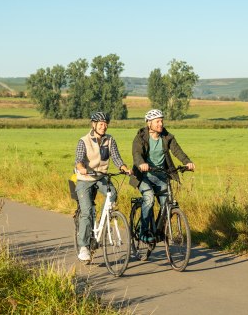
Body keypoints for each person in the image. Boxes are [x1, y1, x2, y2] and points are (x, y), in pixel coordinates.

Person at [74, 111, 132, 263]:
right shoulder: (84, 141)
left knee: (112, 194)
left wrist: (124, 168)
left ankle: (103, 221)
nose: (104, 126)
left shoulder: (109, 140)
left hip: (101, 177)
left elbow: (117, 158)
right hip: (85, 179)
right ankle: (84, 247)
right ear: (94, 125)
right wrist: (81, 168)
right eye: (101, 124)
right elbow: (79, 160)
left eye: (106, 124)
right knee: (86, 212)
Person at [131, 109, 195, 243]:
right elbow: (137, 153)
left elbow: (177, 151)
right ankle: (143, 231)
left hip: (161, 176)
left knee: (167, 203)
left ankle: (158, 231)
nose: (160, 124)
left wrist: (187, 162)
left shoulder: (167, 137)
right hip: (144, 176)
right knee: (148, 199)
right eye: (157, 121)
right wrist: (141, 163)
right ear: (149, 124)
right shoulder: (141, 137)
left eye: (161, 121)